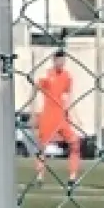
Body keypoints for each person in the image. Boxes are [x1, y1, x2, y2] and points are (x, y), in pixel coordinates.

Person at [33, 50, 82, 186]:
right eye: (59, 60)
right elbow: (35, 91)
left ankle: (72, 177)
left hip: (62, 116)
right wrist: (34, 112)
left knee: (75, 142)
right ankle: (39, 177)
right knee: (42, 147)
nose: (61, 63)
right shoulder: (46, 75)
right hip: (48, 116)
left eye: (63, 60)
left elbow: (68, 96)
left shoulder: (67, 76)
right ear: (54, 60)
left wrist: (74, 115)